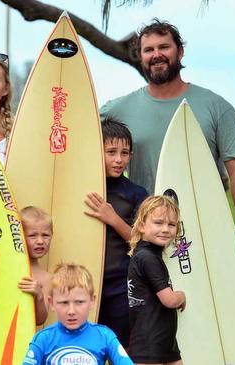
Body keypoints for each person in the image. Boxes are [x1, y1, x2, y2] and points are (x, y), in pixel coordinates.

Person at [100, 18, 235, 265]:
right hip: (143, 235)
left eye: (164, 47)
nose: (156, 54)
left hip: (205, 232)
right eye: (148, 50)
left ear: (180, 51)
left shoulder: (216, 107)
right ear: (140, 57)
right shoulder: (117, 109)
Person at [83, 117, 148, 347]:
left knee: (120, 349)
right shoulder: (80, 186)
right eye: (111, 152)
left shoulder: (136, 194)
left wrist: (113, 218)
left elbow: (143, 243)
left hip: (121, 286)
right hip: (85, 284)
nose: (119, 159)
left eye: (125, 153)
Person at [22, 263, 133, 365]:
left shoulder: (105, 336)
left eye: (79, 302)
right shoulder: (43, 339)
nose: (71, 311)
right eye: (64, 303)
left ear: (92, 301)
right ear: (51, 303)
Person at [127, 195, 186, 365]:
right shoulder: (148, 258)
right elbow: (169, 300)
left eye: (171, 224)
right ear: (141, 226)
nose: (166, 229)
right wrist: (181, 296)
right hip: (149, 342)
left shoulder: (143, 254)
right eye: (158, 223)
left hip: (163, 339)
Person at [16, 206, 52, 326]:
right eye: (32, 235)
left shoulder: (46, 278)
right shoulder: (6, 267)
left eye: (46, 235)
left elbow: (40, 320)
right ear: (19, 236)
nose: (40, 241)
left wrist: (39, 296)